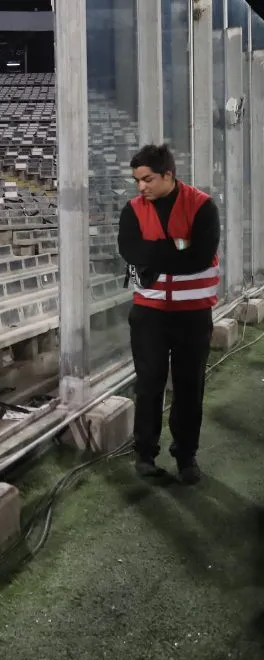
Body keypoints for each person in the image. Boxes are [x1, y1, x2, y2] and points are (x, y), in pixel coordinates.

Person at [117, 144, 221, 485]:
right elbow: (129, 251)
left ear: (168, 176)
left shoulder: (203, 206)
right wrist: (178, 245)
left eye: (147, 179)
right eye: (137, 180)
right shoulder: (132, 210)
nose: (141, 187)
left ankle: (186, 455)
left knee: (190, 387)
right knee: (148, 385)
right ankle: (145, 454)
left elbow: (201, 257)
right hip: (149, 315)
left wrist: (154, 255)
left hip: (193, 316)